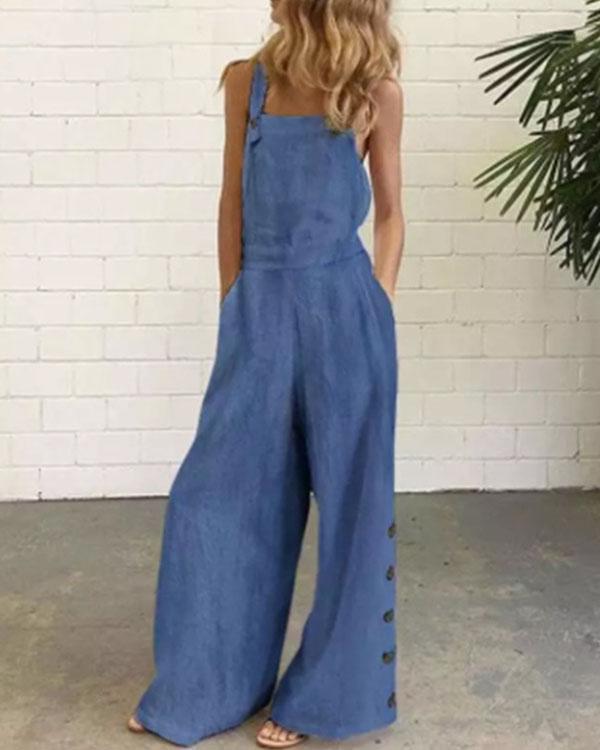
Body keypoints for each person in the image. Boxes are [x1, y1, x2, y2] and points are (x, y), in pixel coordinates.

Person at [127, 0, 404, 746]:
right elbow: (231, 202)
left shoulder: (374, 90)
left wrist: (377, 302)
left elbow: (390, 214)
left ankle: (320, 702)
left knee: (352, 515)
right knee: (216, 499)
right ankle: (202, 687)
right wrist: (234, 301)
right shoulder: (246, 82)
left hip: (347, 316)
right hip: (261, 311)